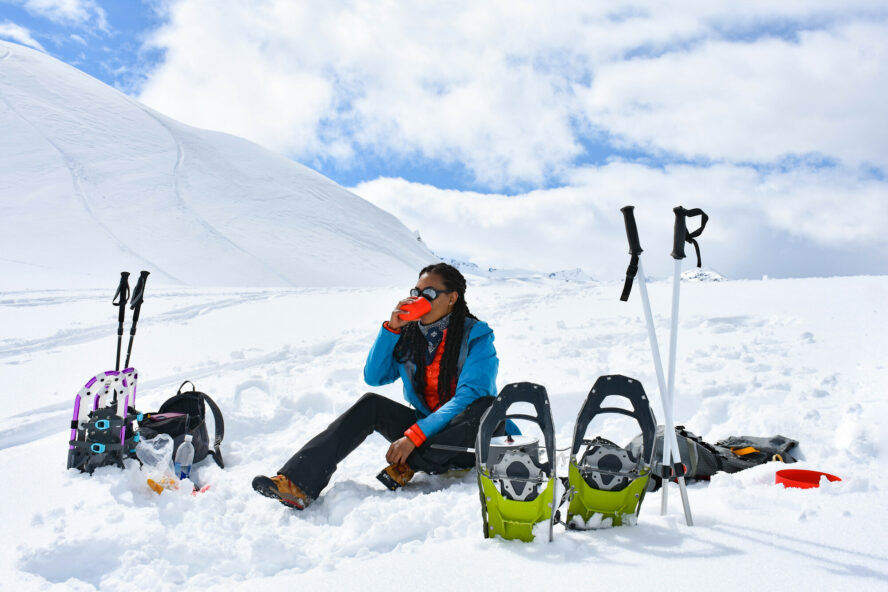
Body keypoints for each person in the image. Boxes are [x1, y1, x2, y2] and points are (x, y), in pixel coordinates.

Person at [252, 263, 500, 509]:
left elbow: (469, 397)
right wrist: (391, 329)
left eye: (429, 294)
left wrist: (414, 436)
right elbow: (375, 376)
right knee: (371, 404)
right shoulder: (413, 337)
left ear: (452, 298)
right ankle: (297, 483)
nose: (419, 299)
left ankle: (411, 464)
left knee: (485, 406)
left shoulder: (477, 337)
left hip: (468, 444)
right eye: (416, 293)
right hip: (427, 437)